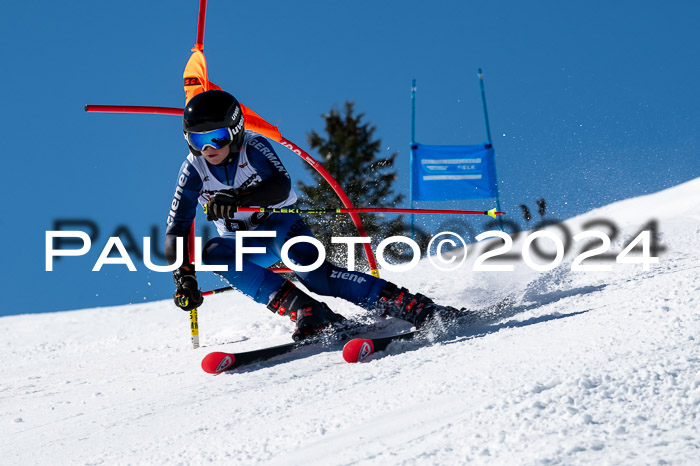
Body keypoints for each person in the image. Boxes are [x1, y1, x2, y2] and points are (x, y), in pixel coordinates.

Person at [165, 90, 459, 340]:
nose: (207, 149)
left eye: (216, 138)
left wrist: (238, 197)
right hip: (244, 243)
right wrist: (184, 278)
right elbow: (177, 228)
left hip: (281, 225)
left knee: (315, 275)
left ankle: (408, 305)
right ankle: (307, 311)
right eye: (196, 139)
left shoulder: (252, 147)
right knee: (215, 253)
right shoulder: (193, 169)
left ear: (234, 129)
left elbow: (280, 186)